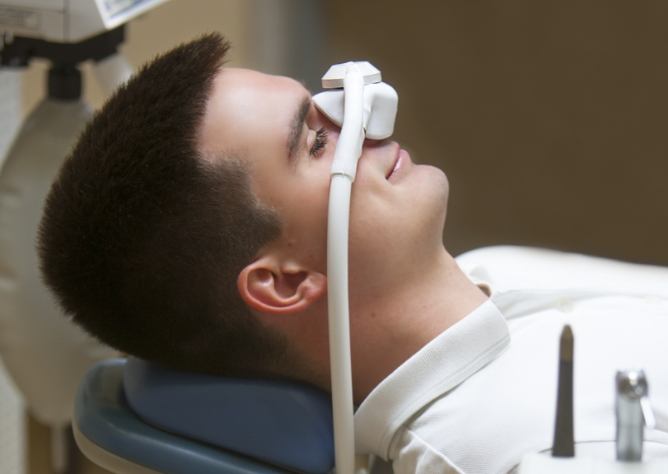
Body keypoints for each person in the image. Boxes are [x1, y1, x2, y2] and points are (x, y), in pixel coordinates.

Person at [38, 33, 668, 473]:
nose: (364, 125)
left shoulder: (493, 270)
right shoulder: (510, 453)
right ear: (284, 283)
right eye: (316, 140)